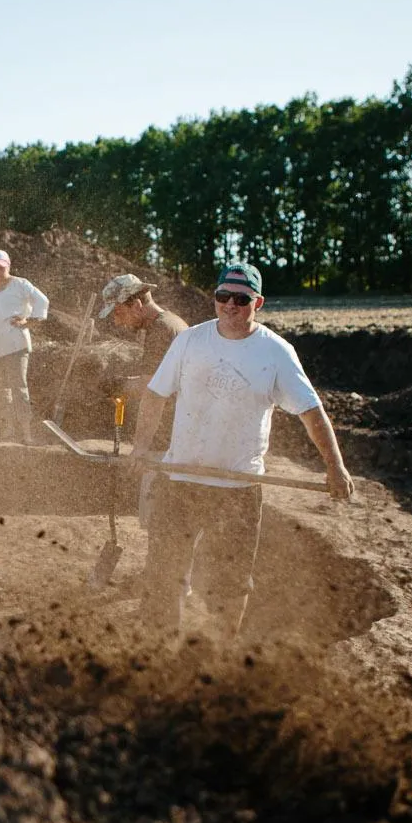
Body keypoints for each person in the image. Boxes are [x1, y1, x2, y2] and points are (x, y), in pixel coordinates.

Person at [128, 262, 353, 642]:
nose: (230, 305)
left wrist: (336, 467)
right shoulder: (190, 341)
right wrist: (140, 447)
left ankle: (217, 654)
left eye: (241, 299)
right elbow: (155, 395)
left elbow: (311, 413)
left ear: (258, 302)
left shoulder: (276, 353)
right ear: (213, 297)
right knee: (163, 571)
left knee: (230, 581)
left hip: (237, 489)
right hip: (180, 479)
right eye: (222, 296)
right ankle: (154, 652)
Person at [97, 273, 190, 530]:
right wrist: (125, 383)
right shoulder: (169, 324)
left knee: (160, 523)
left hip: (169, 443)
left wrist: (140, 448)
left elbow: (154, 393)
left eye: (118, 313)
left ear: (136, 304)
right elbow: (158, 380)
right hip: (177, 437)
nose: (117, 321)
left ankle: (160, 571)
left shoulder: (161, 330)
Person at [0, 249, 48, 444]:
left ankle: (26, 432)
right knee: (1, 389)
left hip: (16, 344)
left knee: (18, 387)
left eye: (1, 267)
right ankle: (8, 428)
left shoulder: (20, 284)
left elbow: (42, 301)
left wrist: (29, 321)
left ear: (8, 266)